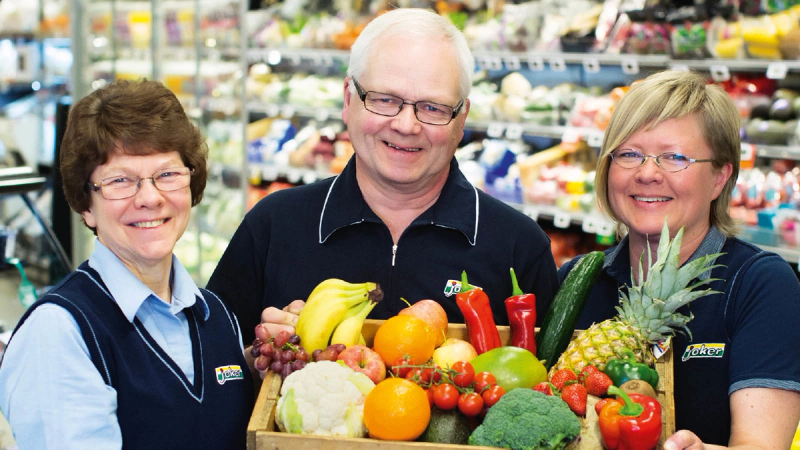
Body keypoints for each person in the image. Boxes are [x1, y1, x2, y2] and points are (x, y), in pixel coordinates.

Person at [207, 8, 559, 344]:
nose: (407, 125)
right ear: (348, 99)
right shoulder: (272, 227)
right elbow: (212, 369)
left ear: (462, 118)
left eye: (432, 107)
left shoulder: (520, 248)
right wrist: (257, 359)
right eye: (385, 100)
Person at [0, 80, 254, 449]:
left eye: (167, 174)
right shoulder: (61, 333)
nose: (150, 198)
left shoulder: (217, 316)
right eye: (121, 180)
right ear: (86, 205)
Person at [559, 70, 800, 448]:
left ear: (720, 177)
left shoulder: (761, 285)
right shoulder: (575, 280)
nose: (647, 173)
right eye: (629, 154)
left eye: (675, 157)